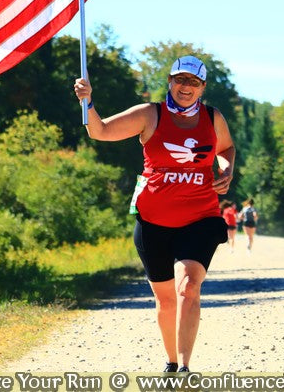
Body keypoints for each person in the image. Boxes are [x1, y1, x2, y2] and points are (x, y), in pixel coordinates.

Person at [73, 55, 235, 373]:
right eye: (180, 79)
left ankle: (185, 368)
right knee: (166, 300)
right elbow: (100, 131)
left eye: (193, 82)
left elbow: (226, 148)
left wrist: (226, 170)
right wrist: (87, 101)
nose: (186, 86)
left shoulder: (213, 117)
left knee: (188, 285)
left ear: (202, 87)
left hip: (200, 217)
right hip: (152, 222)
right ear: (170, 82)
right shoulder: (151, 114)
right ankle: (172, 362)